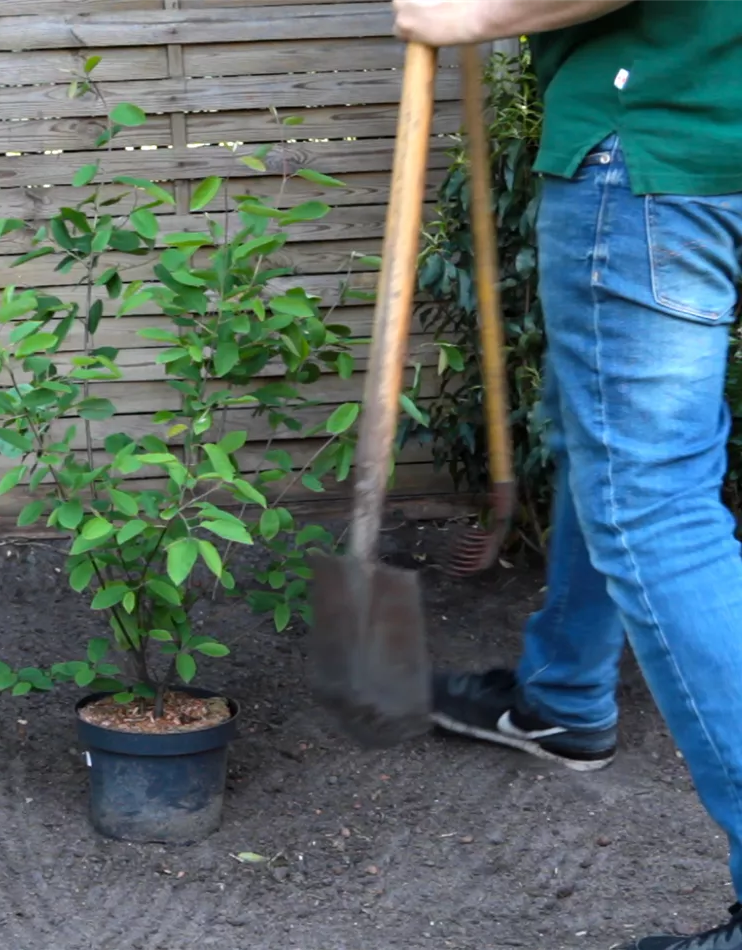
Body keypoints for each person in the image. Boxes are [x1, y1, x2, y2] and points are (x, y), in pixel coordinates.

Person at [390, 2, 742, 948]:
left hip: (660, 145)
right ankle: (564, 696)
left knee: (652, 506)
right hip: (719, 130)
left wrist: (470, 13)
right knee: (630, 457)